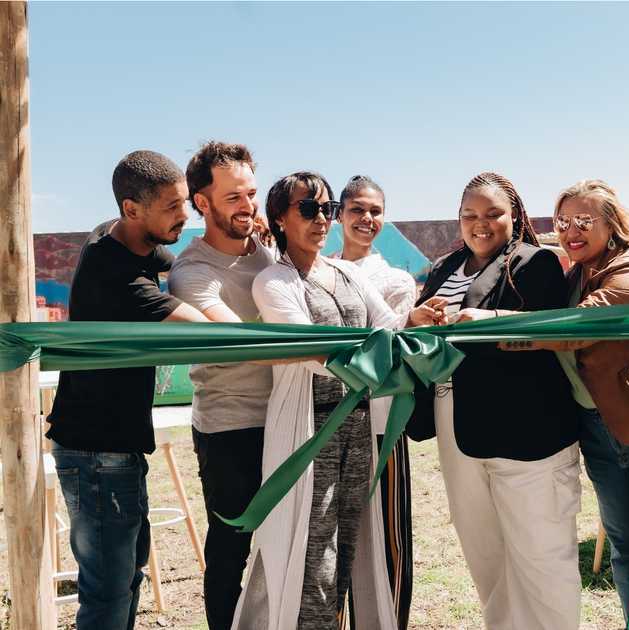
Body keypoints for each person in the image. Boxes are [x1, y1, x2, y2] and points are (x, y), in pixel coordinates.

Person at [234, 172, 443, 629]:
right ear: (280, 219)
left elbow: (389, 324)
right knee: (310, 553)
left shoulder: (346, 271)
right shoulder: (272, 281)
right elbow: (311, 348)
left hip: (358, 428)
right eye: (308, 209)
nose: (320, 220)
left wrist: (415, 322)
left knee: (348, 545)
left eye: (326, 210)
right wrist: (381, 344)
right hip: (308, 431)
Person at [499, 180, 629, 623]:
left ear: (611, 223)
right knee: (623, 549)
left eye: (583, 221)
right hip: (598, 431)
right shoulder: (573, 275)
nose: (570, 231)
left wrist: (500, 328)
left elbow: (583, 325)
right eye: (563, 222)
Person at [406, 172, 582, 630]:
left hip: (526, 430)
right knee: (485, 552)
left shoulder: (535, 262)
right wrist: (417, 320)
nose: (480, 224)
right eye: (469, 215)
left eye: (492, 214)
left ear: (514, 215)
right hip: (456, 424)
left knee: (541, 554)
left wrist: (487, 319)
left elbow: (551, 326)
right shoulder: (444, 268)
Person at [47, 150, 209, 629]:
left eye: (185, 203)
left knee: (123, 581)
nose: (185, 216)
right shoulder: (119, 279)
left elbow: (167, 254)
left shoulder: (115, 237)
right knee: (108, 594)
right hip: (96, 452)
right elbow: (202, 328)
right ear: (132, 209)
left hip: (114, 447)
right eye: (173, 207)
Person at [167, 141, 276, 630]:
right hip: (229, 426)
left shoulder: (272, 252)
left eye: (251, 193)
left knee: (289, 543)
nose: (247, 206)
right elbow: (239, 339)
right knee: (231, 548)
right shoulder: (192, 270)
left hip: (290, 418)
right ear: (202, 202)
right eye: (233, 197)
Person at [336, 174, 416, 628]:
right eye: (357, 210)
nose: (367, 219)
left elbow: (392, 351)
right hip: (326, 425)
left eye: (375, 211)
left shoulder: (395, 280)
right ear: (340, 215)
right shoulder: (319, 271)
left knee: (388, 539)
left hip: (383, 423)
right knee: (336, 536)